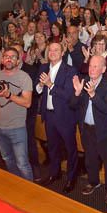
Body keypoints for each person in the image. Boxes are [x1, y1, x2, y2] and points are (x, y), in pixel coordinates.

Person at [70, 55, 107, 204]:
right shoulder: (84, 82)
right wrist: (77, 93)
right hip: (86, 129)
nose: (91, 69)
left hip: (104, 131)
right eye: (90, 65)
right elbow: (72, 105)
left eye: (96, 66)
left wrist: (93, 95)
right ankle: (93, 181)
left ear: (103, 69)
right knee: (90, 158)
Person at [0, 47, 34, 180]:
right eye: (6, 56)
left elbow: (27, 103)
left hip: (17, 128)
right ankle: (17, 187)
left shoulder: (24, 77)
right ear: (2, 60)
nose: (9, 59)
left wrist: (8, 94)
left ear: (18, 61)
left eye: (13, 57)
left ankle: (31, 194)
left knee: (22, 164)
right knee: (8, 160)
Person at [36, 41, 78, 192]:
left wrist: (50, 85)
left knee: (70, 149)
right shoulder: (43, 67)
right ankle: (55, 173)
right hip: (49, 116)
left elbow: (68, 95)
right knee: (52, 148)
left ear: (62, 53)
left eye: (56, 50)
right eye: (50, 50)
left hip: (65, 117)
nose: (52, 52)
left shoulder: (70, 70)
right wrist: (41, 85)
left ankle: (71, 178)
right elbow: (38, 90)